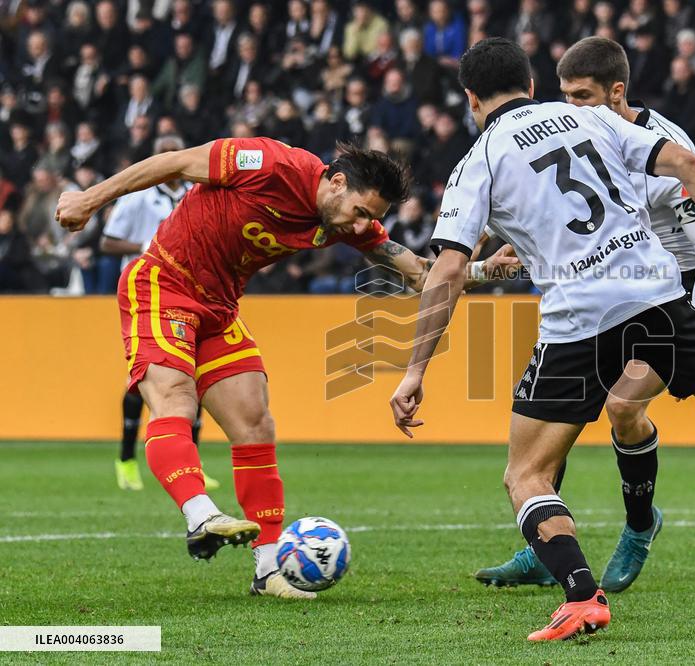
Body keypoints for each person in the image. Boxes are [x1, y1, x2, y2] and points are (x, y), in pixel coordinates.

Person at [389, 37, 695, 642]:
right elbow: (689, 164)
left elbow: (448, 270)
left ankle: (581, 596)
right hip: (658, 295)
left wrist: (414, 370)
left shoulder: (476, 163)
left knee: (526, 473)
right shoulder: (590, 118)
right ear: (532, 86)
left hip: (578, 321)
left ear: (472, 99)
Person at [55, 139, 516, 599]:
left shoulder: (346, 223)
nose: (361, 226)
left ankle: (269, 569)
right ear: (337, 182)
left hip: (219, 308)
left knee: (256, 422)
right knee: (176, 398)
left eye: (369, 219)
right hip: (164, 281)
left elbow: (419, 274)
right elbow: (174, 162)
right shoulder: (269, 165)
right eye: (359, 212)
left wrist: (484, 272)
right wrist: (90, 199)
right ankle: (201, 515)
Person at [474, 36, 695, 593]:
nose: (570, 107)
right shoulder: (579, 131)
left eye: (582, 96)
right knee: (547, 425)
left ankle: (640, 527)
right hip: (611, 297)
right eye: (564, 95)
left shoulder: (667, 146)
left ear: (617, 92)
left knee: (623, 408)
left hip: (680, 290)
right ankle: (542, 549)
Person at [99, 135, 219, 493]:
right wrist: (146, 245)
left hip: (193, 293)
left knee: (196, 375)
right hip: (147, 294)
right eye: (165, 155)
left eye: (176, 154)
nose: (172, 161)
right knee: (141, 378)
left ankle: (191, 465)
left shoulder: (197, 192)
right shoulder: (138, 196)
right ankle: (126, 458)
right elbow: (107, 241)